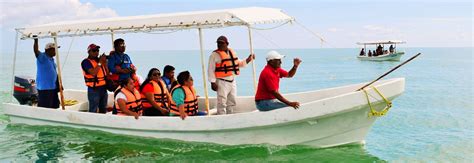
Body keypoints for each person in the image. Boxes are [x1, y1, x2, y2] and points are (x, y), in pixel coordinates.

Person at [208, 36, 255, 115]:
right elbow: (210, 69)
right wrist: (212, 82)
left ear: (227, 44)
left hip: (232, 80)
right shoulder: (214, 55)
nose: (219, 45)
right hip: (221, 81)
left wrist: (248, 60)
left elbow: (238, 63)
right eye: (218, 43)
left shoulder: (232, 52)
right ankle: (221, 117)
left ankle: (230, 115)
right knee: (221, 102)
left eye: (221, 43)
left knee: (232, 100)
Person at [33, 36, 60, 109]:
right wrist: (36, 40)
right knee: (45, 107)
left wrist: (59, 85)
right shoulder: (42, 57)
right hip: (44, 89)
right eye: (54, 50)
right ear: (48, 50)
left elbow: (55, 73)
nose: (56, 51)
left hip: (53, 87)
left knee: (55, 105)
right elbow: (36, 51)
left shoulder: (52, 59)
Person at [81, 44, 108, 113]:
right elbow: (93, 73)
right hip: (94, 90)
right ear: (89, 52)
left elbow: (107, 73)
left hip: (104, 88)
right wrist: (100, 63)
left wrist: (104, 63)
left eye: (97, 50)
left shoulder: (99, 61)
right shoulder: (86, 62)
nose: (96, 52)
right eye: (94, 50)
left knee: (103, 109)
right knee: (93, 109)